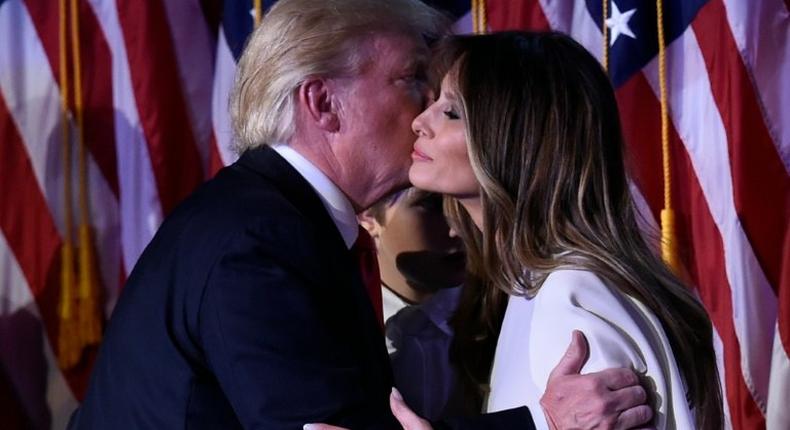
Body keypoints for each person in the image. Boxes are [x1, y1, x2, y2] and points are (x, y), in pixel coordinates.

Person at [68, 1, 652, 428]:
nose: (426, 109)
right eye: (412, 80)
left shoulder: (283, 221)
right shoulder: (258, 240)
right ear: (322, 103)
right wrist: (544, 426)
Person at [408, 31, 724, 429]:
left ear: (518, 141)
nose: (420, 122)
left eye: (451, 112)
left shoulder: (571, 296)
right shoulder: (533, 287)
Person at [359, 188, 466, 420]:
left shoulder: (501, 306)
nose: (459, 227)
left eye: (468, 199)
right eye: (433, 205)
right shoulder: (338, 332)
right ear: (367, 216)